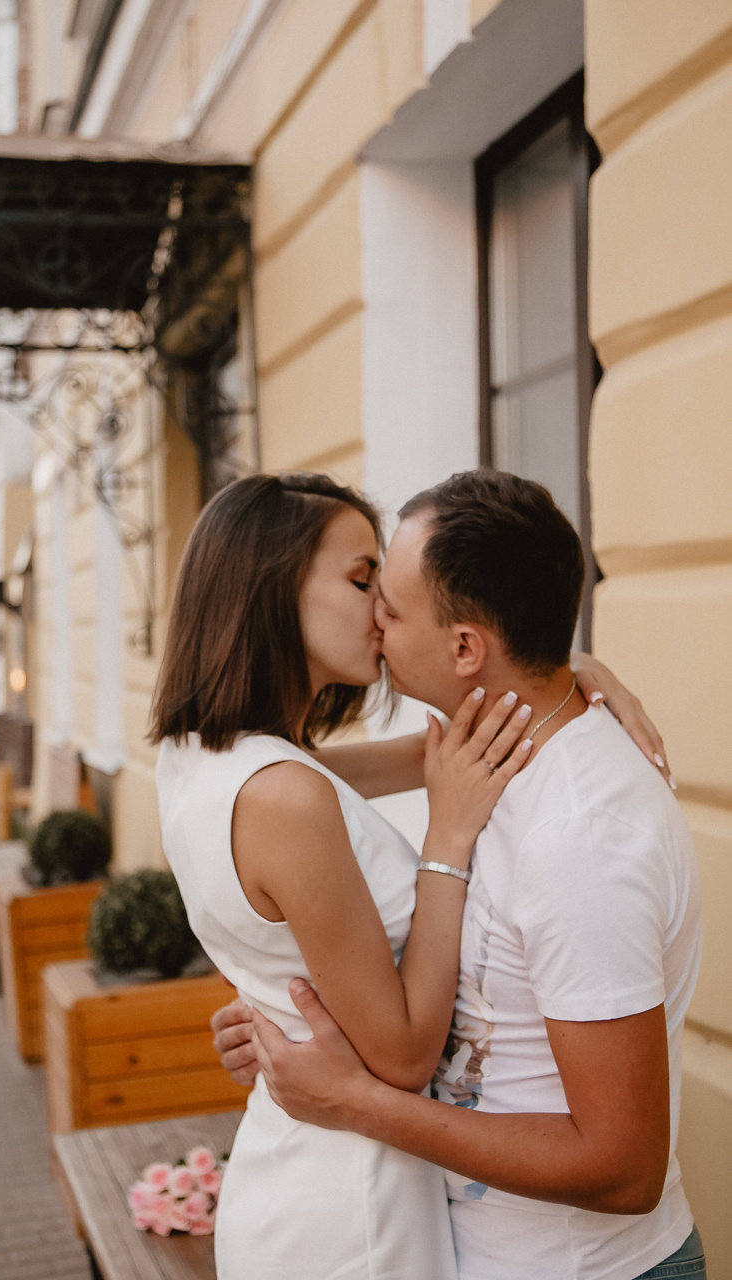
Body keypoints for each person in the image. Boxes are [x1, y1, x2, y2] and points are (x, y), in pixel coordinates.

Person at [228, 471, 704, 1280]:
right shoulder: (482, 752)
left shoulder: (578, 838)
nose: (372, 616)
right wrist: (297, 1024)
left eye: (389, 602)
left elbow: (623, 1168)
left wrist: (354, 1101)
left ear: (463, 648)